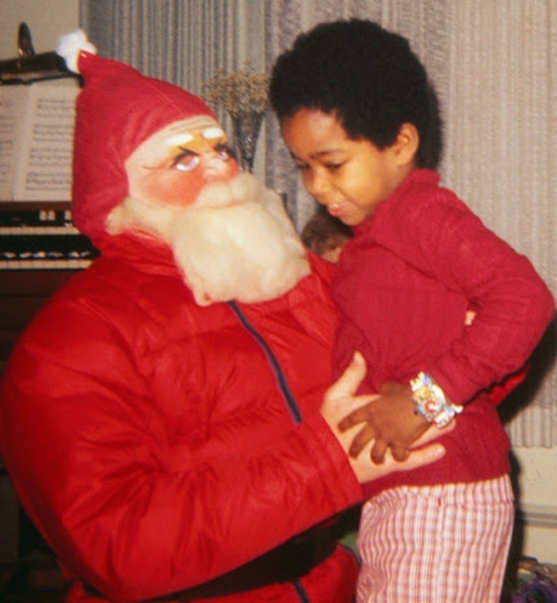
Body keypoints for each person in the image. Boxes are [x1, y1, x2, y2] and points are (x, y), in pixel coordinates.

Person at [0, 31, 446, 603]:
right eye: (183, 157)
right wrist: (326, 462)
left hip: (334, 584)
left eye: (220, 148)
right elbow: (118, 546)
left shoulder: (296, 276)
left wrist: (434, 393)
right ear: (118, 190)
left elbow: (465, 358)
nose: (218, 168)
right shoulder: (68, 342)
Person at [270, 19, 555, 602]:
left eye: (332, 163)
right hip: (407, 487)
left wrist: (429, 398)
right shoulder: (375, 236)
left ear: (400, 144)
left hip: (439, 492)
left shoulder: (419, 215)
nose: (316, 186)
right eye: (302, 167)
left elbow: (525, 300)